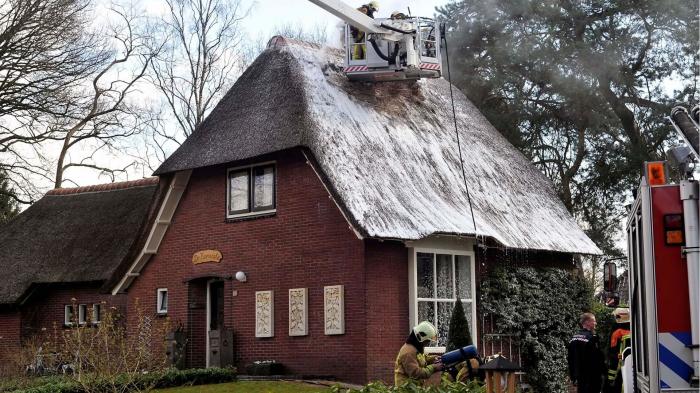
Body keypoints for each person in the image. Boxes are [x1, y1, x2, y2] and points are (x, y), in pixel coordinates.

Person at [394, 321, 444, 387]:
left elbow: (422, 358)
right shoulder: (408, 352)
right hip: (406, 389)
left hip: (414, 387)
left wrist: (433, 358)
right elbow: (416, 373)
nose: (427, 343)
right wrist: (433, 367)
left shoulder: (415, 348)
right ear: (420, 338)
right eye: (427, 341)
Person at [568, 312, 606, 393]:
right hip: (591, 378)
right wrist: (603, 372)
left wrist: (573, 376)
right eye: (594, 321)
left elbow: (570, 359)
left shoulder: (573, 338)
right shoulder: (592, 338)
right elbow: (597, 359)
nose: (596, 323)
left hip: (579, 378)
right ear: (587, 322)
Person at [604, 308, 631, 393]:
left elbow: (613, 355)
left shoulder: (617, 333)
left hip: (619, 369)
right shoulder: (636, 330)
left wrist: (610, 379)